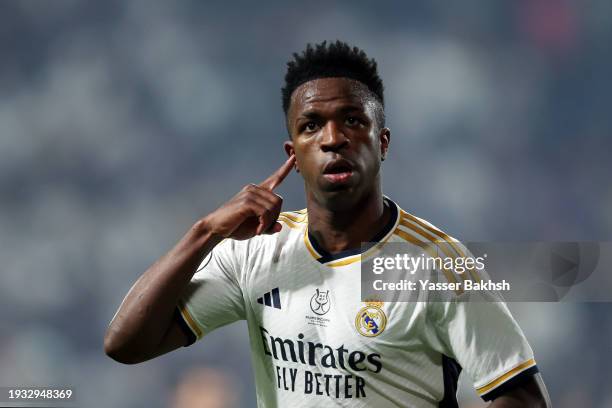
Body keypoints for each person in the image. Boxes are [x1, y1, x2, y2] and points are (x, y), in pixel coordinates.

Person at [105, 41, 551, 407]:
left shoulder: (437, 264)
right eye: (312, 125)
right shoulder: (255, 250)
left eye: (353, 121)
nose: (333, 138)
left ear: (383, 142)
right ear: (293, 154)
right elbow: (125, 345)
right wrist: (205, 232)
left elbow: (523, 398)